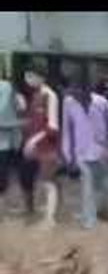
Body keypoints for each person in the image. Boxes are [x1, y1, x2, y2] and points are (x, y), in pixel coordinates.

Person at [60, 72, 108, 230]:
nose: (75, 93)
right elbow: (67, 130)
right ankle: (89, 222)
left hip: (101, 150)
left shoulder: (102, 102)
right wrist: (68, 155)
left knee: (106, 185)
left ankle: (104, 212)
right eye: (73, 89)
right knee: (88, 186)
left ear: (87, 89)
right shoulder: (69, 103)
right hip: (81, 152)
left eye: (78, 89)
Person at [21, 60, 61, 227]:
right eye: (26, 76)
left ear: (40, 77)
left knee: (49, 182)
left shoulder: (49, 95)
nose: (27, 80)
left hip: (48, 145)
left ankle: (50, 219)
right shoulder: (35, 95)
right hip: (38, 145)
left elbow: (53, 126)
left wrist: (33, 140)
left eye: (30, 76)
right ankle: (49, 214)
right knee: (44, 181)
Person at [0, 61, 27, 219]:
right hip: (5, 142)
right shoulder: (7, 87)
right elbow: (19, 108)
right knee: (3, 177)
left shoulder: (7, 88)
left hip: (5, 141)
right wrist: (21, 122)